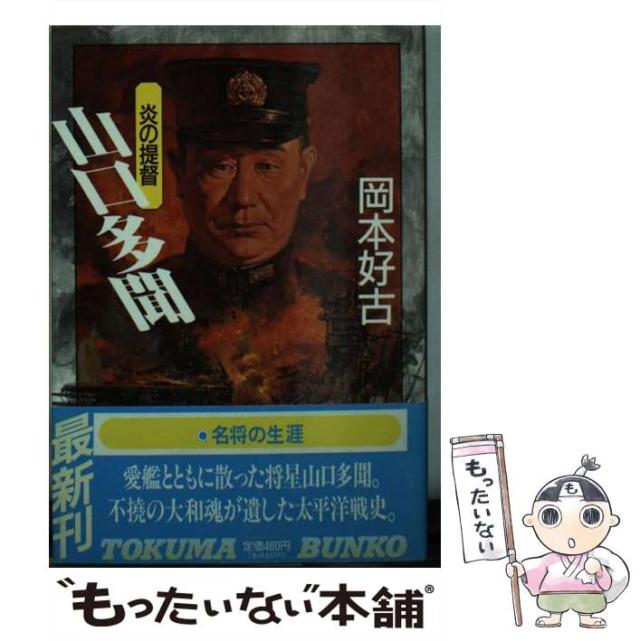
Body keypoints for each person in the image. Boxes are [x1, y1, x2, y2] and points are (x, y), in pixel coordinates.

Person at [71, 58, 400, 405]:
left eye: (267, 166)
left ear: (304, 172)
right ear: (180, 173)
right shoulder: (107, 317)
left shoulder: (360, 317)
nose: (243, 197)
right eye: (220, 167)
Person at [506, 455, 629, 629]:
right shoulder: (550, 559)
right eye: (551, 516)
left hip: (588, 595)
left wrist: (599, 571)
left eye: (591, 516)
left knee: (590, 603)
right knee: (551, 602)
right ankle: (554, 616)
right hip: (553, 595)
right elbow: (537, 568)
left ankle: (586, 617)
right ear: (531, 520)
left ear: (610, 520)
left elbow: (605, 582)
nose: (571, 531)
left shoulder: (594, 557)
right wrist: (520, 570)